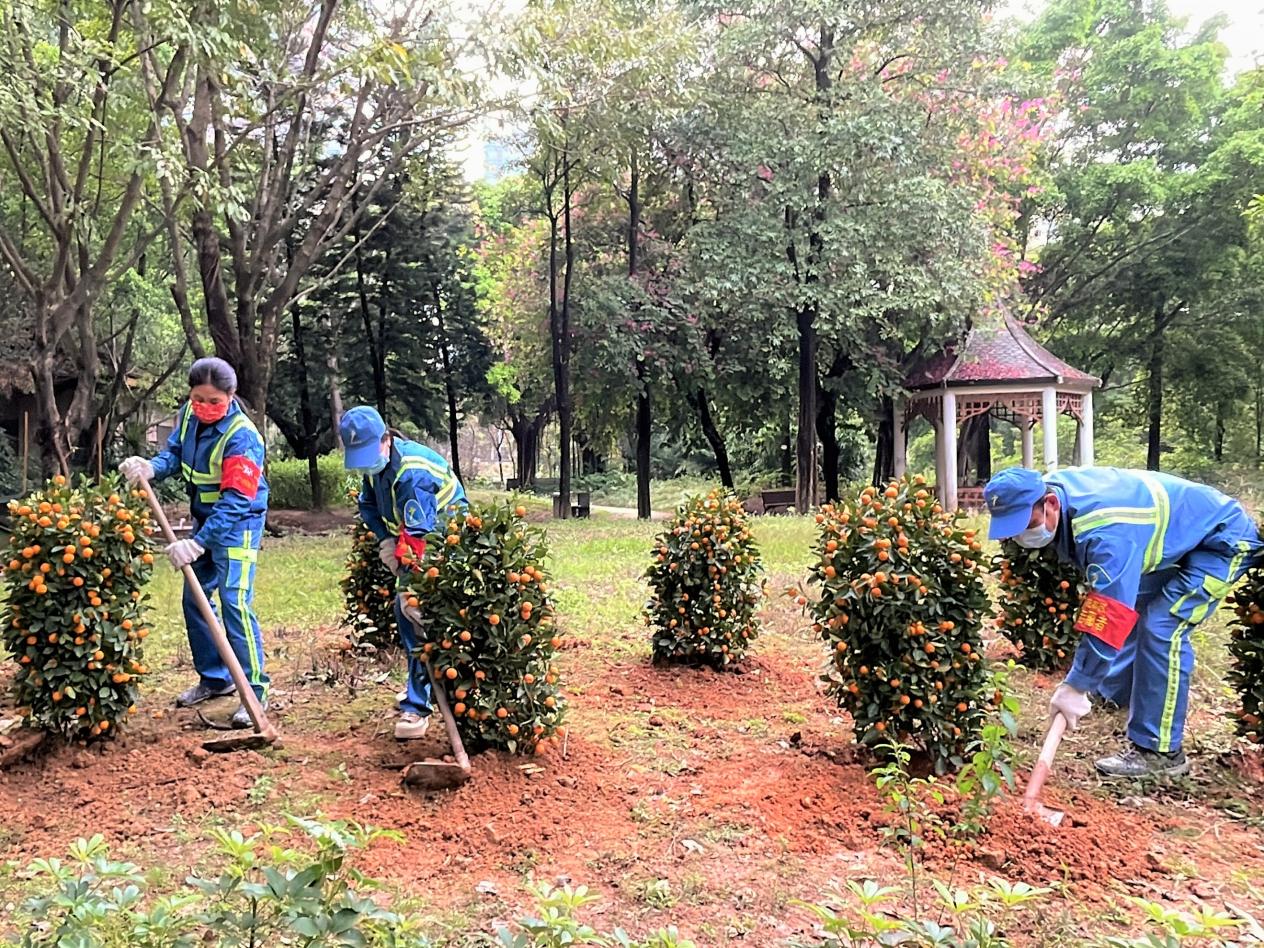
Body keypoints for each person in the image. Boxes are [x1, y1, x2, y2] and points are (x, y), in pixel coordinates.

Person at [985, 466, 1261, 778]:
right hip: (1183, 537)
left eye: (1027, 524)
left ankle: (1159, 751)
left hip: (1222, 542)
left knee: (1162, 626)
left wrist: (1077, 684)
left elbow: (1108, 612)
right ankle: (1115, 695)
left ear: (1050, 503)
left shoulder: (1104, 529)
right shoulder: (1058, 493)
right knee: (1136, 603)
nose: (1022, 536)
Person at [119, 357, 270, 729]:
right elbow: (175, 454)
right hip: (206, 517)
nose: (204, 408)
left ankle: (255, 691)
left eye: (213, 402)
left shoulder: (243, 437)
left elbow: (236, 502)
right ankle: (215, 679)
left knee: (234, 601)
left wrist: (199, 543)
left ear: (231, 397)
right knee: (195, 600)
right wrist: (152, 466)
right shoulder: (190, 414)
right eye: (197, 399)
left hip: (239, 523)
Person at [339, 406, 467, 740]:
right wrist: (385, 539)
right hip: (412, 538)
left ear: (386, 440)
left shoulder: (412, 473)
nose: (365, 463)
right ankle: (421, 691)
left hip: (445, 537)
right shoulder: (377, 466)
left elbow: (421, 534)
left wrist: (407, 570)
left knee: (414, 614)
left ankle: (419, 707)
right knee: (408, 614)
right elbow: (367, 504)